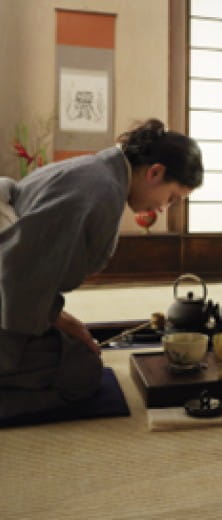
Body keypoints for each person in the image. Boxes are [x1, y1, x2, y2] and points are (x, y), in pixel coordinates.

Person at [0, 119, 203, 419]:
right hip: (7, 300)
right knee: (82, 371)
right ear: (155, 172)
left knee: (74, 348)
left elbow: (32, 269)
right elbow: (18, 274)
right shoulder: (99, 188)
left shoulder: (95, 172)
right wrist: (59, 319)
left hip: (15, 294)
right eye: (172, 198)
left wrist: (59, 318)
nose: (163, 209)